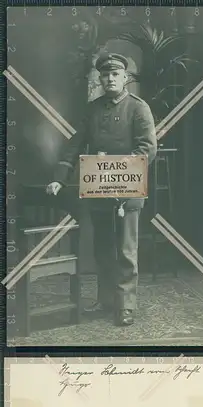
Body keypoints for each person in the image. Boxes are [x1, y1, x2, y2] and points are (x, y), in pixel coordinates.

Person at [46, 52, 157, 326]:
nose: (109, 79)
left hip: (129, 190)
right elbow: (75, 144)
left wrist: (120, 170)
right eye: (104, 75)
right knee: (103, 247)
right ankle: (106, 300)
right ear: (100, 79)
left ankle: (126, 305)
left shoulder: (138, 108)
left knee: (126, 249)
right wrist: (60, 177)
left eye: (115, 74)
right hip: (97, 190)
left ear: (125, 78)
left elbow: (147, 148)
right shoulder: (92, 109)